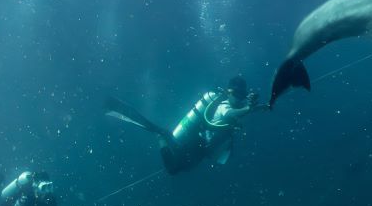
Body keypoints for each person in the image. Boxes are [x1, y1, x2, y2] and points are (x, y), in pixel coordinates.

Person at [106, 75, 265, 175]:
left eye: (241, 95)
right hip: (193, 142)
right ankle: (161, 135)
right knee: (172, 169)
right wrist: (248, 108)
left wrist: (256, 107)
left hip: (201, 147)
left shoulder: (236, 106)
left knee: (178, 170)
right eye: (236, 94)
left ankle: (162, 136)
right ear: (229, 92)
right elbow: (227, 114)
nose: (238, 99)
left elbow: (237, 113)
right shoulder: (223, 106)